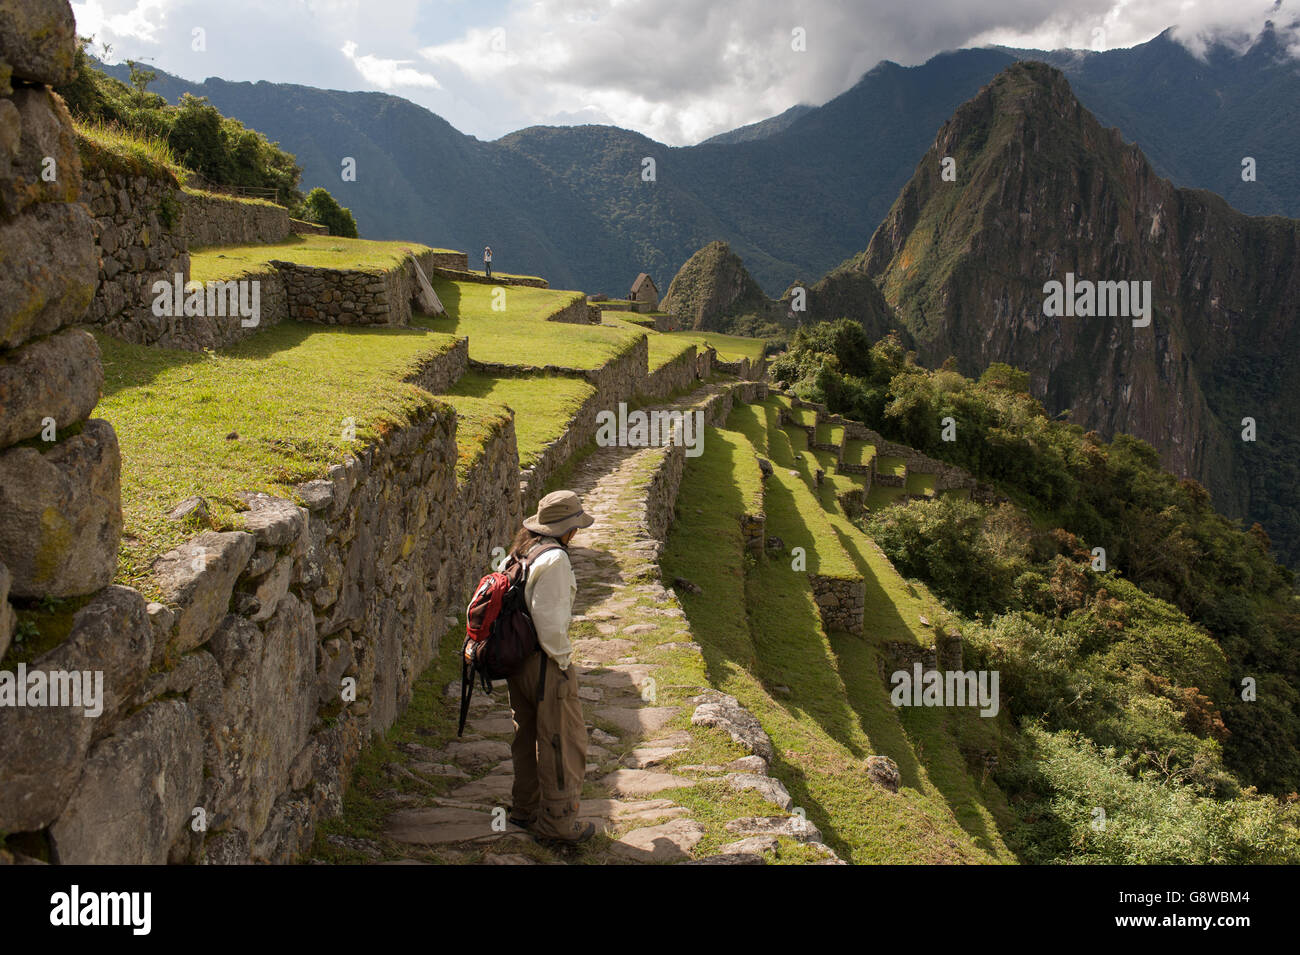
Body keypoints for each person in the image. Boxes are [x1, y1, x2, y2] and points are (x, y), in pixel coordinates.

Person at [505, 489, 596, 846]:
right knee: (562, 740)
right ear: (567, 529)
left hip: (517, 660)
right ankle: (558, 825)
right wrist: (562, 663)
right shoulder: (555, 560)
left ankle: (524, 808)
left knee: (525, 735)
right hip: (544, 664)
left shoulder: (523, 551)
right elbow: (551, 624)